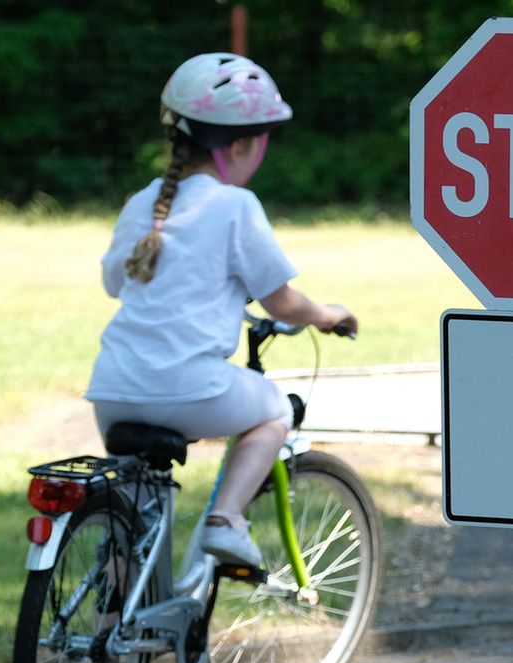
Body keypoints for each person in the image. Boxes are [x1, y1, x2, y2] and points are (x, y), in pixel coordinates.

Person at [85, 53, 357, 569]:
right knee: (276, 409)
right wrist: (328, 314)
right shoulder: (235, 207)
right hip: (187, 389)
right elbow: (282, 302)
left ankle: (114, 632)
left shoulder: (144, 202)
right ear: (239, 146)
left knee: (133, 520)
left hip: (113, 389)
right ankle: (226, 519)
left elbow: (113, 281)